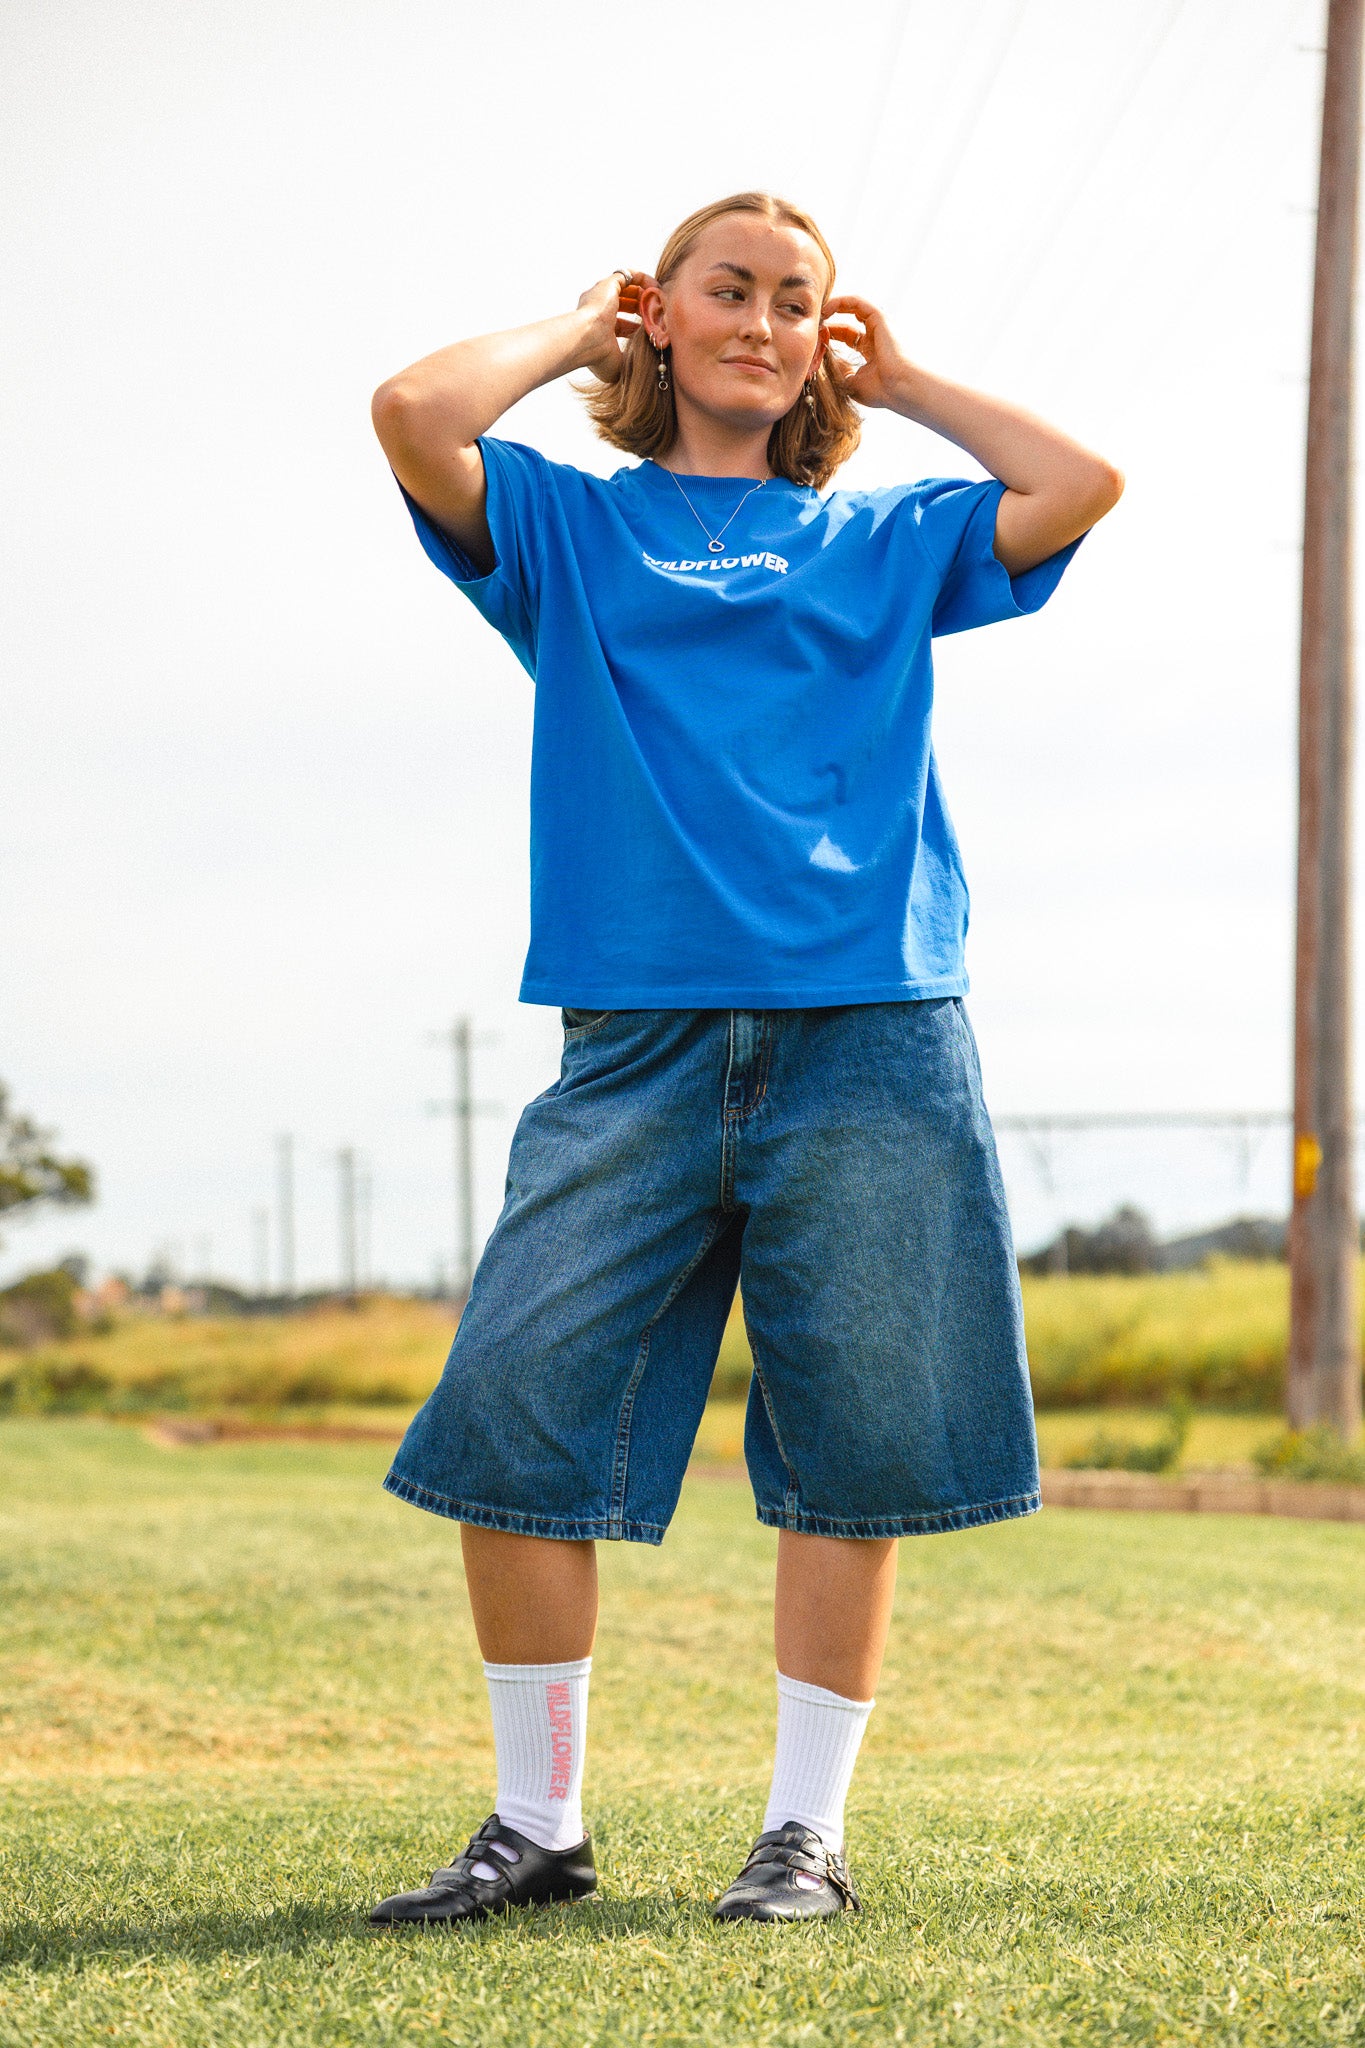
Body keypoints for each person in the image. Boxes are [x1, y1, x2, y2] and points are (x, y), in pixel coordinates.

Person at [366, 190, 1122, 1927]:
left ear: (817, 345)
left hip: (870, 1035)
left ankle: (802, 1839)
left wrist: (910, 377)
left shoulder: (885, 541)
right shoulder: (568, 529)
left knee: (850, 1441)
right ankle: (537, 1828)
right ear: (666, 309)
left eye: (797, 300)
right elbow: (416, 414)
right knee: (512, 1413)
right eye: (727, 288)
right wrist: (580, 335)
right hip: (630, 1039)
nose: (760, 319)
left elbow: (1076, 485)